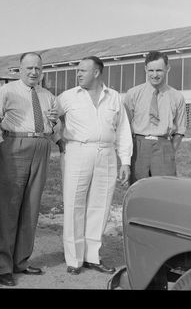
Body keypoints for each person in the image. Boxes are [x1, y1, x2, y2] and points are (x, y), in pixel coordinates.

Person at [56, 56, 132, 275]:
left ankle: (92, 256)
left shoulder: (114, 97)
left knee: (100, 205)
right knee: (74, 204)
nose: (78, 74)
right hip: (78, 151)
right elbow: (50, 118)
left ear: (97, 72)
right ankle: (74, 258)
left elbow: (123, 131)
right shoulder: (68, 97)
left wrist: (124, 161)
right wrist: (58, 140)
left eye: (82, 71)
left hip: (106, 153)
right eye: (77, 70)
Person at [0, 52, 61, 287]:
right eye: (29, 68)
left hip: (41, 146)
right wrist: (0, 144)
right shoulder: (6, 91)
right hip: (14, 145)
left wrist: (54, 123)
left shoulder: (49, 96)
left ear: (42, 70)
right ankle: (2, 266)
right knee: (9, 206)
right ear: (19, 69)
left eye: (38, 68)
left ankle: (21, 261)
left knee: (31, 206)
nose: (34, 72)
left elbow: (54, 128)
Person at [124, 51, 187, 185]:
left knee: (164, 189)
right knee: (138, 188)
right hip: (139, 146)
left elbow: (180, 130)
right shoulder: (133, 94)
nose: (154, 74)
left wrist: (169, 150)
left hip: (164, 145)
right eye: (151, 70)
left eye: (159, 70)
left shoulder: (177, 96)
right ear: (145, 69)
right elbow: (125, 126)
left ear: (167, 69)